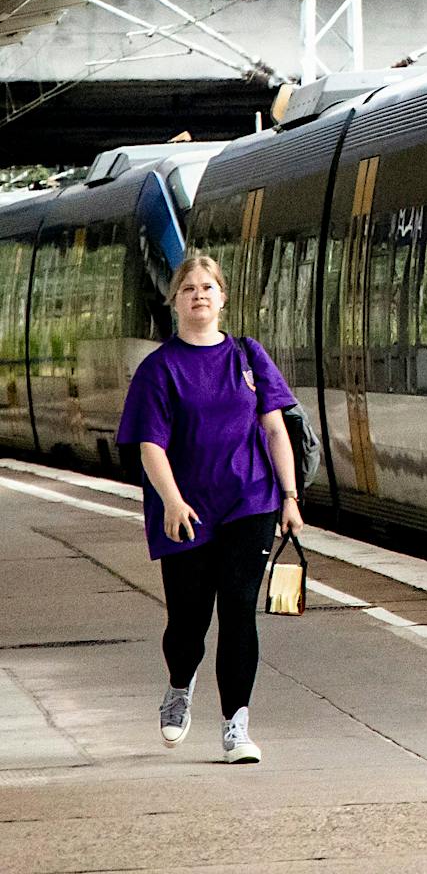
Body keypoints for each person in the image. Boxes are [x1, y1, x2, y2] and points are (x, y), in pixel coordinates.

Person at [116, 254, 304, 765]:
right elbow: (149, 446)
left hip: (250, 500)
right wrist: (172, 500)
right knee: (189, 620)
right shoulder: (159, 369)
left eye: (208, 287)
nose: (199, 295)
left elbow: (274, 428)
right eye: (188, 289)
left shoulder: (248, 356)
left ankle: (236, 725)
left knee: (240, 608)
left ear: (223, 298)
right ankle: (180, 684)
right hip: (186, 509)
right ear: (174, 301)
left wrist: (288, 497)